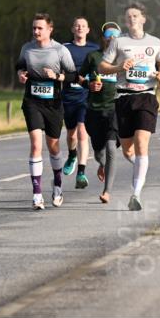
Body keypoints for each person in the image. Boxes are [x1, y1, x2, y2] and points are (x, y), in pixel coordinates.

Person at [98, 2, 160, 212]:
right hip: (124, 98)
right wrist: (119, 67)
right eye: (128, 17)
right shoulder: (118, 43)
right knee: (128, 148)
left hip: (146, 97)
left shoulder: (155, 42)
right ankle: (140, 167)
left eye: (136, 16)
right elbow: (103, 66)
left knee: (141, 142)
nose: (132, 19)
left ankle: (136, 193)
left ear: (143, 19)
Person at [17, 13, 76, 210]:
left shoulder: (60, 50)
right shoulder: (27, 48)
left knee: (53, 146)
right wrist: (21, 75)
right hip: (32, 101)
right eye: (34, 28)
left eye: (39, 28)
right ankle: (36, 194)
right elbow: (19, 66)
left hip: (53, 103)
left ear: (50, 29)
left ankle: (58, 185)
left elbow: (73, 75)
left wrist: (57, 76)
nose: (35, 31)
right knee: (35, 145)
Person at [81, 22, 120, 203]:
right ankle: (102, 164)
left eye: (115, 35)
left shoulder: (123, 58)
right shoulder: (93, 57)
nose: (111, 38)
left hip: (114, 109)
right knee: (98, 152)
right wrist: (88, 84)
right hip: (94, 110)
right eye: (108, 35)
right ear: (103, 37)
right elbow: (79, 77)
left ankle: (107, 192)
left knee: (111, 147)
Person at [61, 17, 100, 190]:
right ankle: (71, 156)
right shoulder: (64, 48)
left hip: (86, 96)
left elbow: (101, 68)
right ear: (72, 29)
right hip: (68, 96)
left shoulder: (95, 48)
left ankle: (81, 173)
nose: (80, 28)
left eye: (83, 26)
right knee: (71, 135)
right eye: (77, 25)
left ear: (88, 29)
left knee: (83, 132)